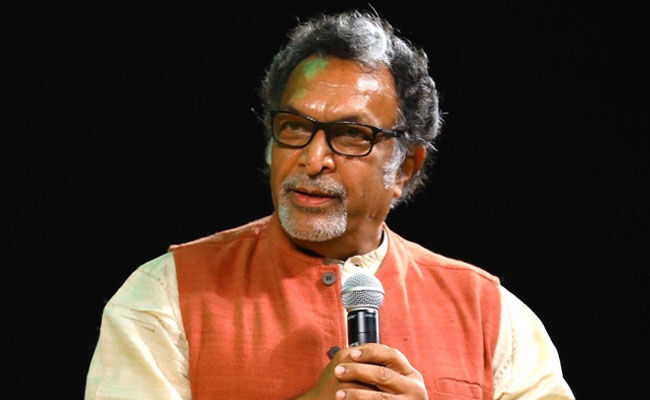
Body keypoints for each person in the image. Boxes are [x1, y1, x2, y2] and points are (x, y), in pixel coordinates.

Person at [85, 11, 574, 400]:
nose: (313, 158)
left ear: (405, 168)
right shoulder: (164, 294)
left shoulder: (492, 316)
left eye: (351, 135)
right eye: (295, 127)